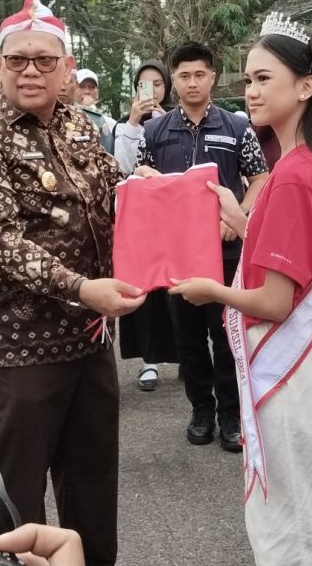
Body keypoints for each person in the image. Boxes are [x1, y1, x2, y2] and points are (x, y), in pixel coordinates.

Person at [0, 0, 145, 566]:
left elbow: (115, 197)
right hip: (18, 344)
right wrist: (83, 288)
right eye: (17, 60)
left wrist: (156, 192)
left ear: (65, 67)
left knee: (92, 487)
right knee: (18, 506)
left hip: (88, 338)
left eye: (44, 60)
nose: (31, 70)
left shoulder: (79, 125)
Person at [169, 15, 312, 566]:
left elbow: (275, 301)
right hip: (309, 358)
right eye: (247, 80)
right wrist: (242, 220)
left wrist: (211, 291)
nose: (250, 91)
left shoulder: (294, 173)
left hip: (289, 367)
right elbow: (295, 260)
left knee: (296, 532)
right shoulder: (306, 160)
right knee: (308, 515)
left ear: (305, 85)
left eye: (263, 78)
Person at [125, 41, 269, 452]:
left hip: (224, 253)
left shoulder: (237, 128)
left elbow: (260, 178)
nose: (191, 83)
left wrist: (236, 214)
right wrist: (144, 176)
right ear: (174, 80)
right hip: (178, 256)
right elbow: (140, 181)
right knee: (187, 340)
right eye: (184, 76)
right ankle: (200, 411)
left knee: (226, 336)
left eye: (199, 74)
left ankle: (231, 417)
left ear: (212, 76)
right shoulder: (155, 131)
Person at [113, 60, 177, 390]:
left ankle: (188, 356)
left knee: (180, 287)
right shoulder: (124, 125)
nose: (151, 90)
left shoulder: (179, 121)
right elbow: (122, 168)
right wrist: (136, 121)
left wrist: (163, 122)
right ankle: (149, 360)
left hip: (175, 217)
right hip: (141, 221)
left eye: (157, 83)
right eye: (143, 84)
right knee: (145, 289)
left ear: (167, 86)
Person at [73, 68, 115, 153]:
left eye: (91, 87)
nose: (87, 91)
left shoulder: (110, 124)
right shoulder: (64, 118)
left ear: (97, 92)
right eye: (81, 87)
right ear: (73, 90)